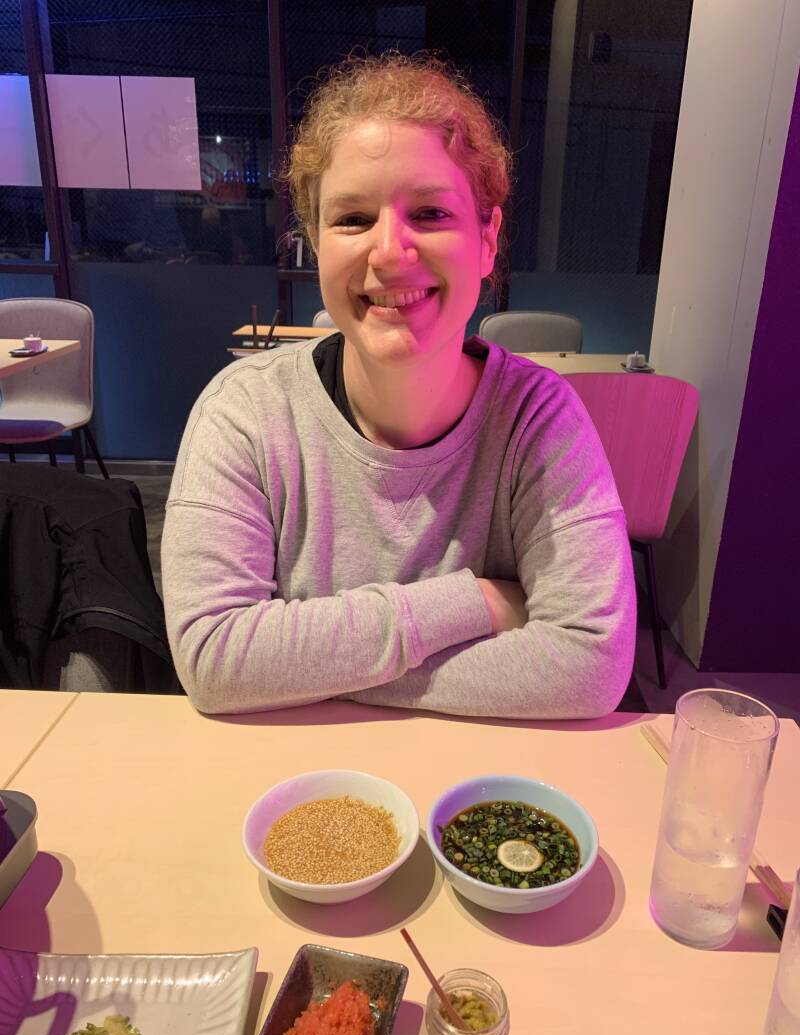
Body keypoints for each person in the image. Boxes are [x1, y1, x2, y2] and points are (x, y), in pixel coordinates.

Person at [162, 53, 635, 718]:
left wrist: (295, 665)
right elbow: (215, 659)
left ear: (488, 239)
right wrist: (474, 601)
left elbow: (590, 667)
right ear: (315, 244)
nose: (389, 252)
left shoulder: (539, 418)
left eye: (431, 213)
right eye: (353, 219)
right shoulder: (244, 411)